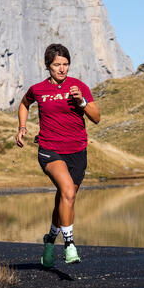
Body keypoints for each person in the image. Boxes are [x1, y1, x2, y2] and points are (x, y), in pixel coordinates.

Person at [16, 43, 100, 267]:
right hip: (49, 149)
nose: (62, 69)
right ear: (48, 66)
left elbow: (96, 117)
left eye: (65, 64)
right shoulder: (38, 89)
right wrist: (22, 127)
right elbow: (24, 104)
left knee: (66, 198)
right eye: (57, 65)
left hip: (77, 150)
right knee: (68, 191)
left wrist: (81, 101)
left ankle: (50, 240)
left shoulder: (78, 86)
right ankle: (70, 244)